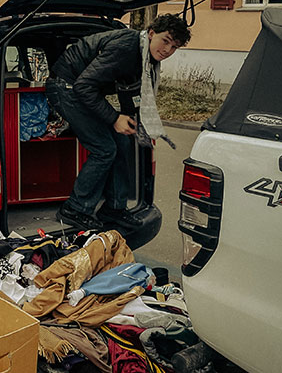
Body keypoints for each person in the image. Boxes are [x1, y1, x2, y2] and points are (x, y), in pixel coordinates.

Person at [45, 13, 191, 230]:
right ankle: (74, 209)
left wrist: (133, 119)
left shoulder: (145, 57)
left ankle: (114, 208)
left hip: (82, 89)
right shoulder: (126, 48)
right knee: (104, 149)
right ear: (152, 33)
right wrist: (114, 118)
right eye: (165, 41)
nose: (167, 50)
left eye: (174, 47)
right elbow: (83, 86)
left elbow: (129, 90)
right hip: (65, 87)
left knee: (122, 142)